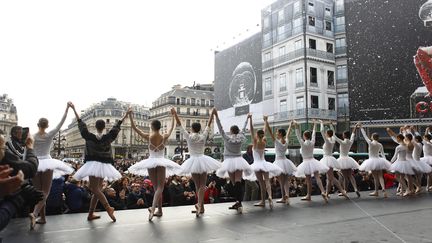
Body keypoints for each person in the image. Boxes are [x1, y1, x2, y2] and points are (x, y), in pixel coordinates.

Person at [71, 102, 126, 222]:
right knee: (97, 190)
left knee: (93, 188)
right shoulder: (108, 137)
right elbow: (117, 127)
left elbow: (81, 124)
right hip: (104, 165)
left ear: (95, 126)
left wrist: (74, 109)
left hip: (92, 164)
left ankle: (108, 207)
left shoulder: (89, 136)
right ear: (104, 127)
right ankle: (91, 214)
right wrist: (126, 114)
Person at [127, 107, 181, 221]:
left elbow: (134, 128)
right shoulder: (164, 136)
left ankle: (154, 209)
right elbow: (172, 127)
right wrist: (173, 115)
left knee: (157, 187)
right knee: (159, 188)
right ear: (160, 127)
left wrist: (130, 115)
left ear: (152, 127)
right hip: (161, 161)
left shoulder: (148, 136)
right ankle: (158, 210)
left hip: (151, 161)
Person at [30, 103, 74, 229]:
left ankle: (42, 218)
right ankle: (35, 213)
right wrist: (66, 109)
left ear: (37, 125)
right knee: (45, 192)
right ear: (47, 126)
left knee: (39, 192)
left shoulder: (32, 136)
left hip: (36, 163)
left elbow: (28, 151)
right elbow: (61, 122)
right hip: (47, 162)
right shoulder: (50, 135)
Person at [173, 108, 220, 217]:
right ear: (199, 129)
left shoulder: (189, 137)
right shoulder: (203, 136)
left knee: (198, 185)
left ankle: (199, 205)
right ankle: (201, 207)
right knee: (202, 186)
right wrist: (212, 114)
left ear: (192, 129)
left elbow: (180, 125)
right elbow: (208, 125)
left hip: (193, 161)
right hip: (203, 160)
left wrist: (175, 114)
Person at [0, 131, 43, 231]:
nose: (5, 151)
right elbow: (30, 168)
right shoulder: (11, 145)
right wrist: (19, 199)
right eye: (3, 148)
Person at [214, 109, 253, 213]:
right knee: (238, 182)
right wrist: (247, 118)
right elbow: (244, 129)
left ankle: (238, 202)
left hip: (229, 161)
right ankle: (239, 203)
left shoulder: (227, 138)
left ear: (231, 131)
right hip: (239, 160)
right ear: (237, 131)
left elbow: (220, 128)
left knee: (233, 183)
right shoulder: (240, 137)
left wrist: (216, 116)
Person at [247, 114, 282, 209]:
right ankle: (269, 196)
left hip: (257, 165)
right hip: (265, 164)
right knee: (267, 181)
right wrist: (265, 121)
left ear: (256, 135)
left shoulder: (255, 141)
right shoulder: (264, 140)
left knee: (261, 184)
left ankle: (263, 201)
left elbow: (251, 129)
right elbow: (264, 130)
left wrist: (250, 119)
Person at [293, 120, 328, 203]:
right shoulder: (312, 142)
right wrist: (315, 125)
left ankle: (309, 195)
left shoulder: (303, 143)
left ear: (304, 136)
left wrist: (296, 125)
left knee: (308, 180)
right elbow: (314, 134)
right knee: (317, 177)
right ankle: (323, 191)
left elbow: (297, 135)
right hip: (313, 161)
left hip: (306, 163)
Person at [263, 118, 296, 204]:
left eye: (277, 132)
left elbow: (270, 132)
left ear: (280, 134)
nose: (276, 133)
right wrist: (290, 125)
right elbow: (287, 134)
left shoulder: (277, 142)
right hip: (285, 161)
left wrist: (266, 122)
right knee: (285, 182)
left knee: (282, 182)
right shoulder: (286, 141)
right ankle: (287, 196)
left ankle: (283, 197)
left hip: (279, 162)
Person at [358, 124, 391, 197]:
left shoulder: (370, 143)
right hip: (379, 160)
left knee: (375, 177)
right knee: (380, 176)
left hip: (372, 161)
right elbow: (382, 154)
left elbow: (365, 136)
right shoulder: (380, 144)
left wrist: (361, 128)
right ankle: (383, 189)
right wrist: (386, 163)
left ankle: (376, 191)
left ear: (373, 137)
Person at [319, 120, 349, 199]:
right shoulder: (333, 140)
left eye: (326, 133)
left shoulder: (328, 140)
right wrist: (331, 125)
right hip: (331, 159)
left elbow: (321, 131)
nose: (325, 134)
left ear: (327, 134)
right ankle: (327, 193)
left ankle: (342, 191)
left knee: (331, 177)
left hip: (326, 159)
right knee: (329, 178)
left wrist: (321, 123)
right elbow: (334, 133)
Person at [334, 124, 361, 197]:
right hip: (348, 159)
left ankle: (345, 191)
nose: (342, 135)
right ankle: (355, 188)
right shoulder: (350, 141)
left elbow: (335, 137)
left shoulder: (342, 142)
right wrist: (355, 127)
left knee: (345, 178)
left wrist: (331, 126)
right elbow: (353, 134)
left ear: (344, 135)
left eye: (343, 134)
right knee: (351, 176)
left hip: (342, 160)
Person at [387, 132, 414, 196]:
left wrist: (390, 162)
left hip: (400, 162)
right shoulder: (405, 146)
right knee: (401, 177)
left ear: (399, 138)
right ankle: (402, 191)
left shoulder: (398, 147)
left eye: (397, 138)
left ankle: (407, 190)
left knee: (397, 177)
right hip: (405, 162)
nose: (397, 139)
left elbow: (395, 156)